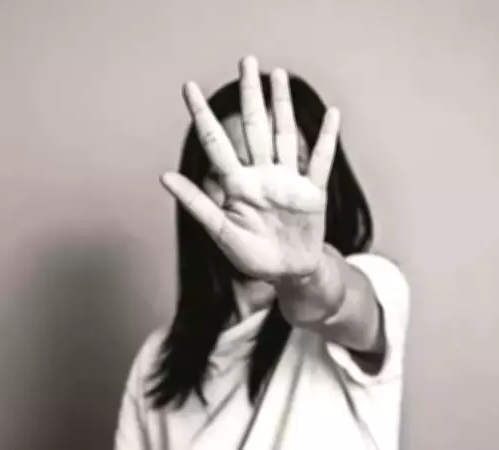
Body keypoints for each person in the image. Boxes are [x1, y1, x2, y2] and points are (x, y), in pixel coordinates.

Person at [113, 56, 410, 450]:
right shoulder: (155, 360)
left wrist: (304, 274)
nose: (259, 198)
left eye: (289, 171)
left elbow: (336, 301)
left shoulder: (375, 281)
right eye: (229, 175)